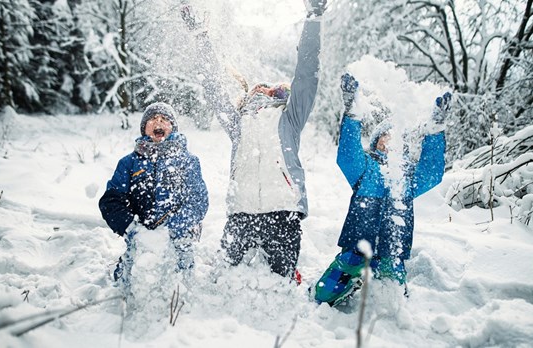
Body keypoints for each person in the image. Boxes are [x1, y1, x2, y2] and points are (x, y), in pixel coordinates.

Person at [181, 0, 326, 282]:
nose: (261, 88)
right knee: (222, 279)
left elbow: (306, 74)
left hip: (283, 211)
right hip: (242, 213)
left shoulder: (289, 118)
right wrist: (200, 38)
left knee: (279, 285)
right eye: (257, 86)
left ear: (278, 94)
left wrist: (313, 18)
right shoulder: (238, 124)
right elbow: (212, 86)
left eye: (269, 87)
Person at [314, 73, 451, 305]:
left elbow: (432, 172)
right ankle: (347, 284)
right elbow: (347, 156)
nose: (390, 141)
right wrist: (352, 114)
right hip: (357, 247)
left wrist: (435, 131)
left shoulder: (407, 177)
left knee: (394, 300)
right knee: (323, 294)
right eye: (385, 137)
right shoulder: (366, 167)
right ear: (377, 141)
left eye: (395, 137)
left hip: (391, 251)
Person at [99, 102, 209, 294]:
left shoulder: (188, 161)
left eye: (165, 119)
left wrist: (174, 227)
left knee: (181, 286)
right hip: (141, 236)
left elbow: (198, 201)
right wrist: (132, 228)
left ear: (172, 128)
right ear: (144, 129)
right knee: (130, 284)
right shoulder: (129, 163)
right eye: (152, 119)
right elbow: (111, 201)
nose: (158, 121)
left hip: (179, 235)